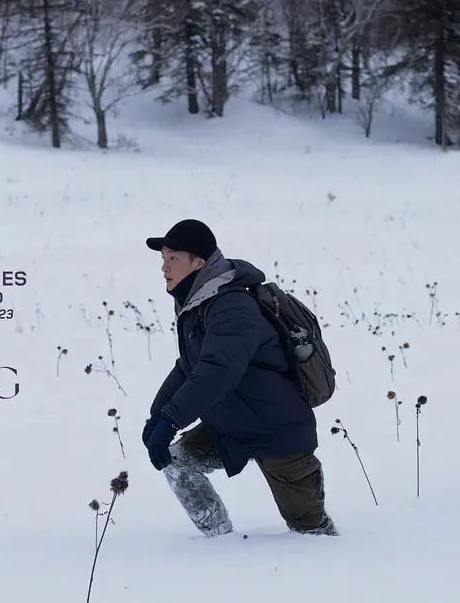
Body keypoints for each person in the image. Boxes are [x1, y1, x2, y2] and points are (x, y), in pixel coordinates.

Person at [141, 219, 337, 537]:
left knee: (312, 534)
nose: (164, 267)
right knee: (178, 462)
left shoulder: (232, 308)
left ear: (199, 262)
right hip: (232, 427)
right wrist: (158, 416)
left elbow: (217, 372)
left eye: (172, 258)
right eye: (163, 258)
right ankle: (219, 543)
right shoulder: (199, 304)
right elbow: (189, 366)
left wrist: (171, 419)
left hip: (278, 431)